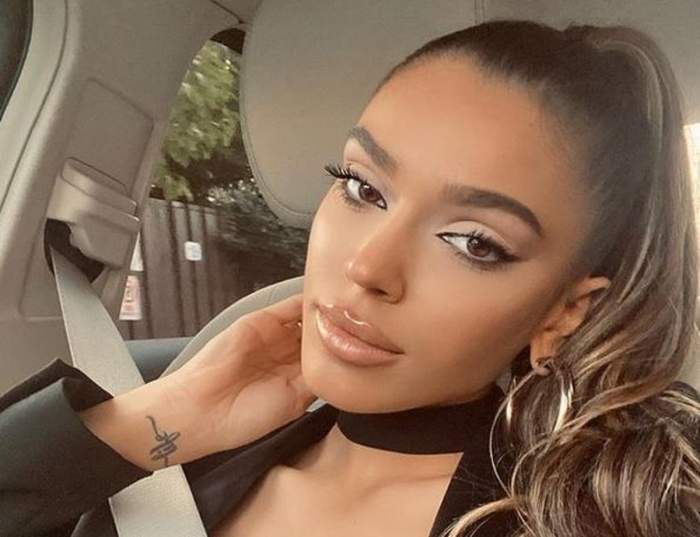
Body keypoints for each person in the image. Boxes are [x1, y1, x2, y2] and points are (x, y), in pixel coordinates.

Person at [1, 18, 699, 537]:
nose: (368, 268)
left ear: (566, 312)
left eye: (474, 242)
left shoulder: (590, 514)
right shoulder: (192, 452)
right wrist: (166, 419)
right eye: (363, 188)